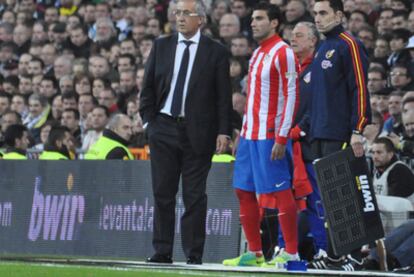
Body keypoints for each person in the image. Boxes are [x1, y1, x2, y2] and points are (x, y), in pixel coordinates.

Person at [140, 0, 232, 265]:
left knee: (194, 195)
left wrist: (223, 131)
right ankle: (162, 251)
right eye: (177, 13)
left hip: (199, 133)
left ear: (200, 19)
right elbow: (147, 88)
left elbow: (223, 97)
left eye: (186, 14)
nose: (179, 18)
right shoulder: (162, 45)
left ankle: (194, 254)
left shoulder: (216, 52)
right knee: (163, 192)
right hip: (164, 127)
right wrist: (150, 124)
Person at [222, 2, 299, 268]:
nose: (252, 23)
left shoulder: (283, 52)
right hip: (250, 134)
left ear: (274, 22)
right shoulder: (256, 53)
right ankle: (254, 253)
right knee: (243, 191)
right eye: (252, 19)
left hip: (269, 135)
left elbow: (292, 96)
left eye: (259, 18)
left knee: (280, 192)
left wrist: (282, 136)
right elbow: (252, 97)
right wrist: (242, 133)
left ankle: (291, 253)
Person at [307, 0, 371, 271]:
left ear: (339, 15)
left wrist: (358, 129)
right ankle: (335, 255)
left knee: (345, 195)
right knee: (330, 200)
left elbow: (359, 87)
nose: (318, 19)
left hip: (341, 133)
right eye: (315, 14)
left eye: (323, 13)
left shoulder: (349, 44)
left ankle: (355, 255)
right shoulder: (323, 47)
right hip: (320, 133)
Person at [289, 21, 328, 260]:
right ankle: (286, 248)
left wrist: (298, 129)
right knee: (284, 199)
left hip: (309, 143)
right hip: (287, 144)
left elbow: (318, 106)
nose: (293, 39)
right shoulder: (291, 67)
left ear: (313, 40)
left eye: (299, 36)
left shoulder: (320, 69)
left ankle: (323, 248)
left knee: (316, 201)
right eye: (292, 35)